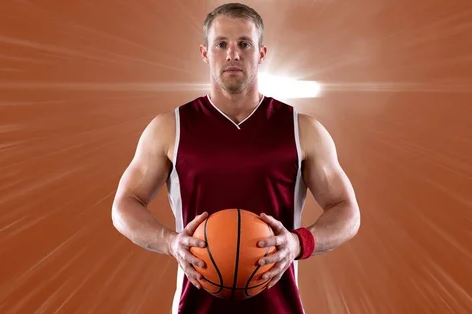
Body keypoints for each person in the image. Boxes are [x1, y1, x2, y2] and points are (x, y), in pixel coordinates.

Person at [111, 2, 361, 314]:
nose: (233, 54)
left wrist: (299, 243)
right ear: (205, 53)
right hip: (195, 306)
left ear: (261, 53)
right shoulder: (170, 127)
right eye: (221, 44)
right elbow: (124, 204)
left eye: (244, 44)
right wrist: (170, 242)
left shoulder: (302, 129)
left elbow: (347, 211)